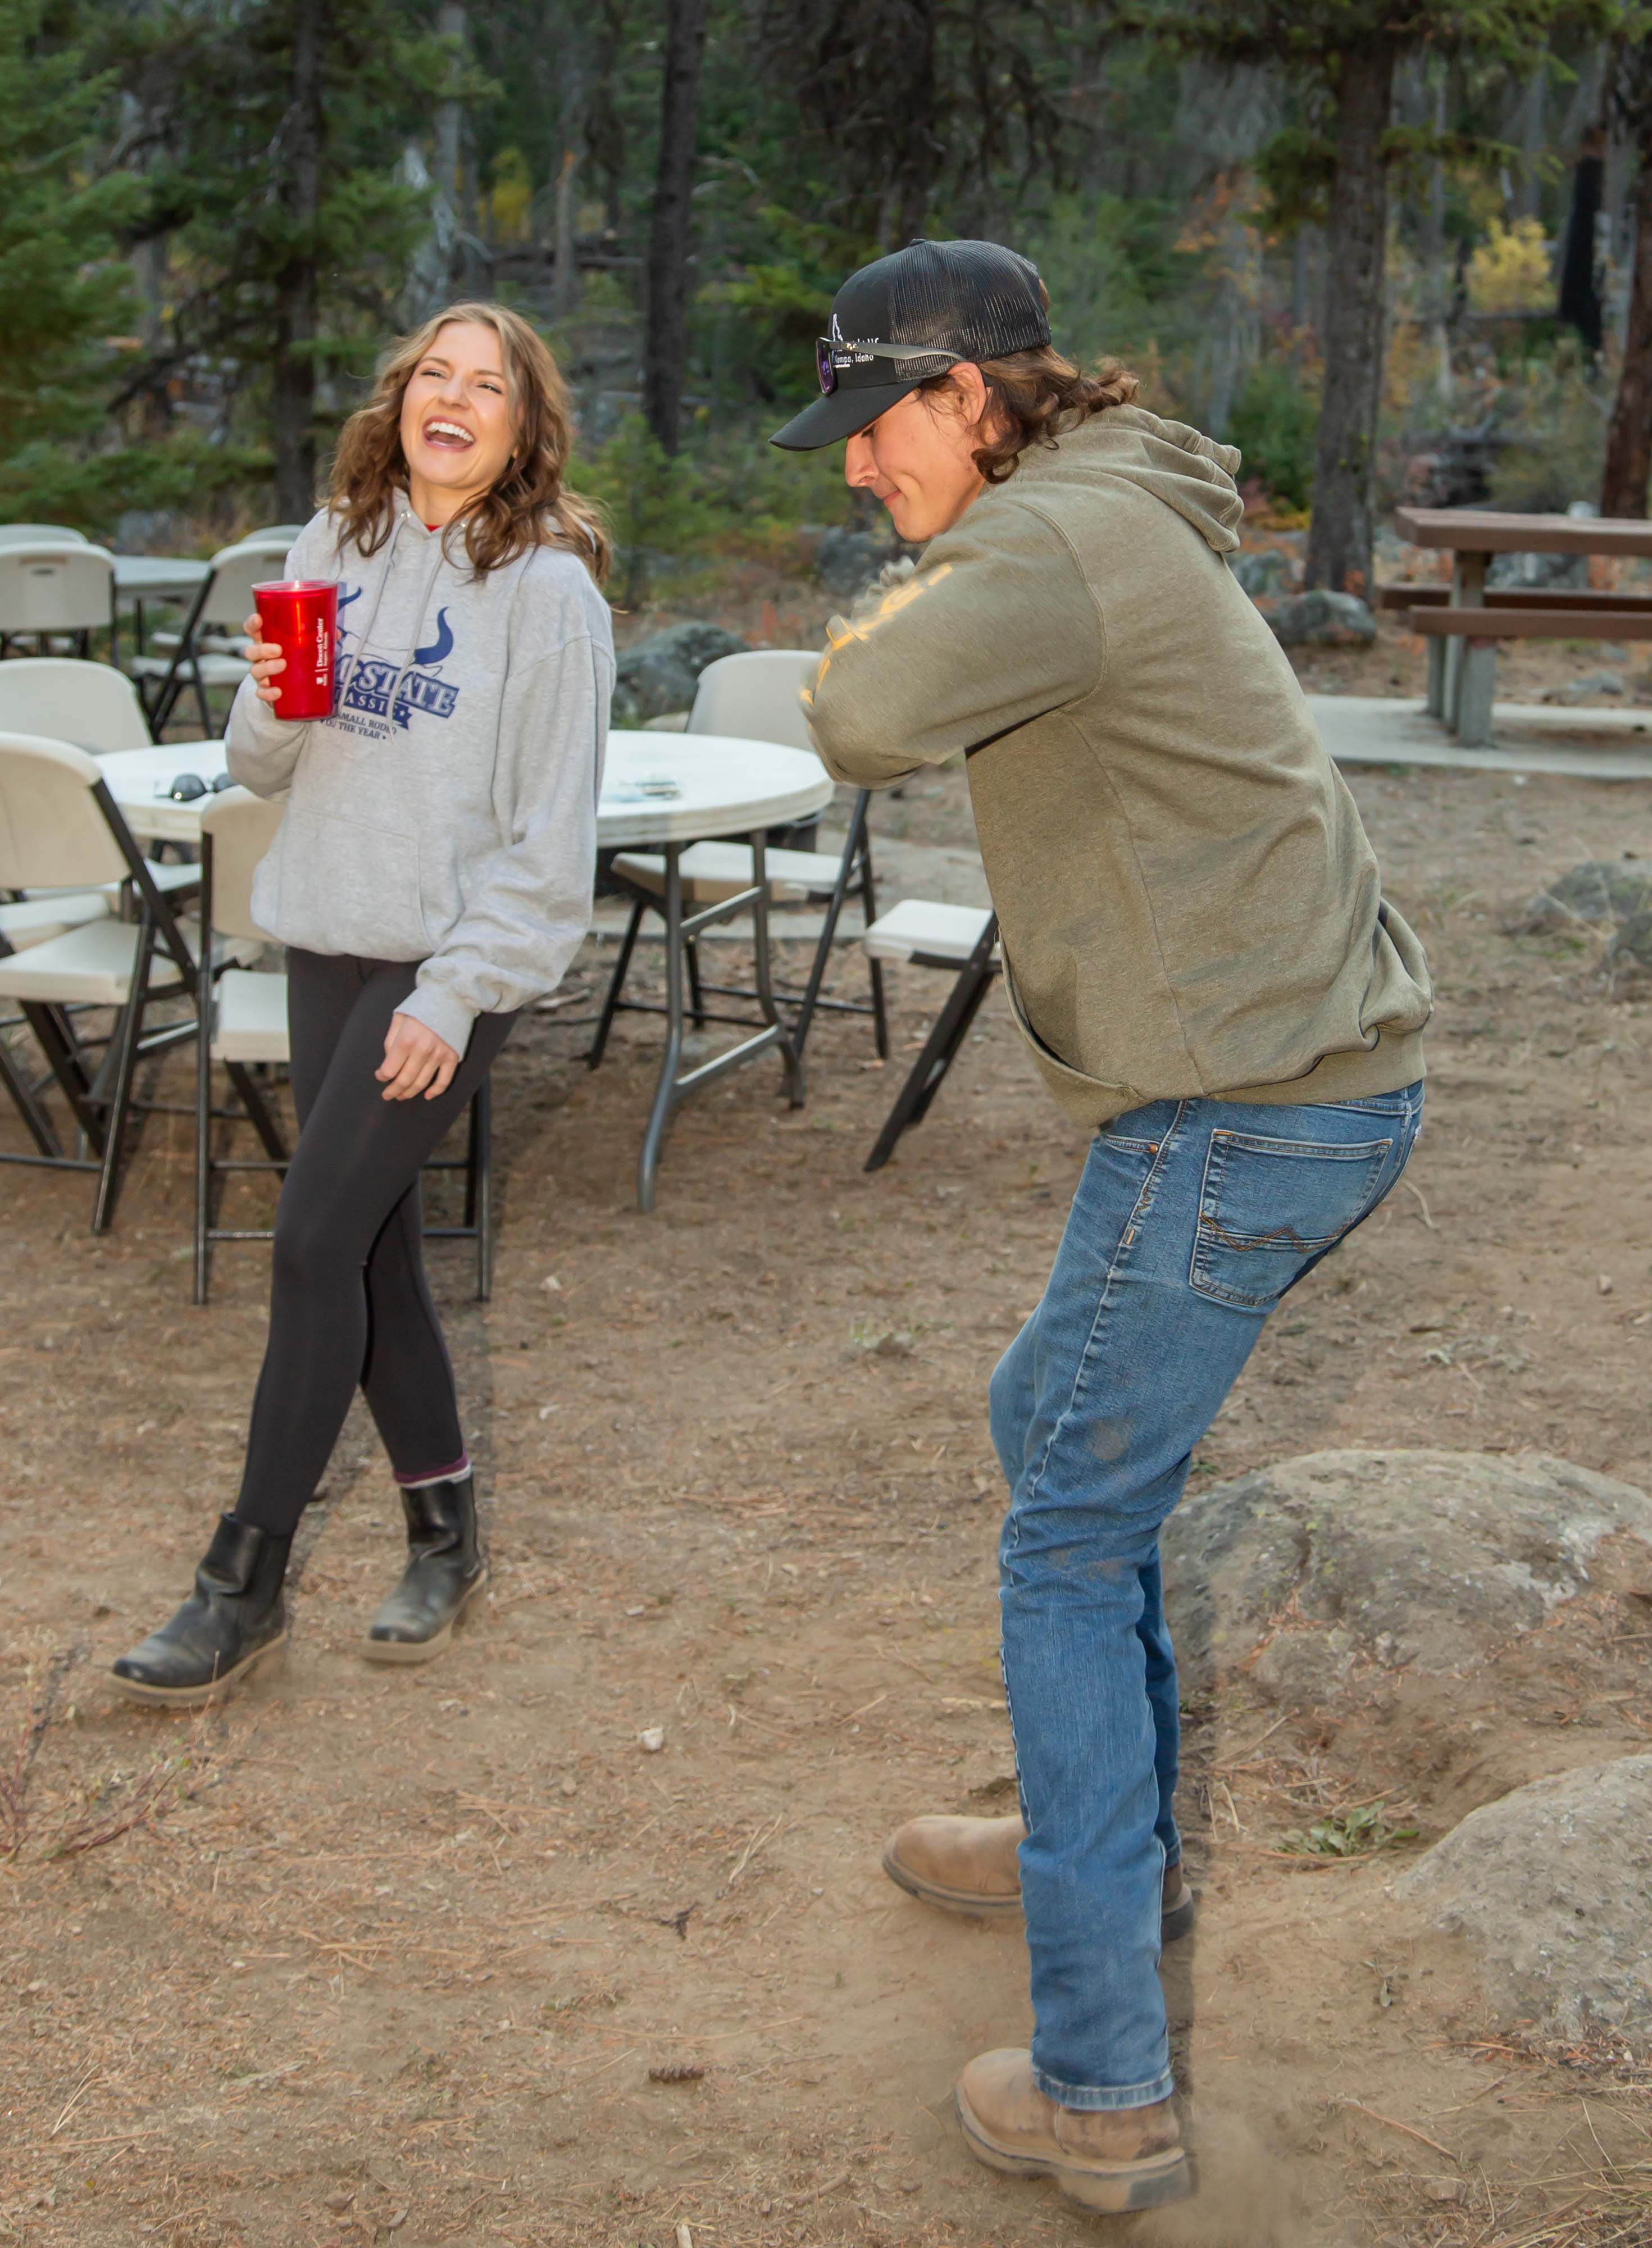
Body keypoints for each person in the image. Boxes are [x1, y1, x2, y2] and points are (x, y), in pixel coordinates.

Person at [774, 239, 1431, 2214]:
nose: (855, 468)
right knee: (1043, 1429)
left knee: (1063, 1535)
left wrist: (895, 600)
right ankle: (1098, 1850)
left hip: (1241, 1108)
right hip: (1277, 1082)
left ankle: (1100, 2091)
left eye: (874, 426)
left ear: (968, 396)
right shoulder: (1103, 495)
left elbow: (858, 711)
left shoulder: (1050, 542)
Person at [112, 303, 614, 1707]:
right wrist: (273, 698)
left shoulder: (548, 595)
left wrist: (454, 998)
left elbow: (549, 851)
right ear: (399, 402)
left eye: (487, 385)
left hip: (444, 962)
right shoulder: (330, 544)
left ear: (523, 426)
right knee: (371, 1256)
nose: (453, 398)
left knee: (309, 1241)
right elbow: (263, 765)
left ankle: (242, 1583)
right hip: (326, 935)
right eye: (432, 375)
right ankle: (446, 1533)